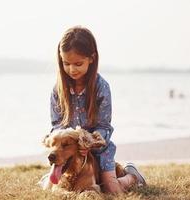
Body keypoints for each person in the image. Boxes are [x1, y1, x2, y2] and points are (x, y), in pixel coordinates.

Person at [48, 26, 146, 193]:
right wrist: (65, 143)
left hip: (99, 150)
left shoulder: (101, 88)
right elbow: (56, 125)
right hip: (69, 153)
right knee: (56, 187)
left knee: (111, 190)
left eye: (78, 63)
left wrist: (89, 142)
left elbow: (104, 127)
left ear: (91, 59)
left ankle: (132, 175)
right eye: (66, 63)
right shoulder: (58, 90)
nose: (72, 69)